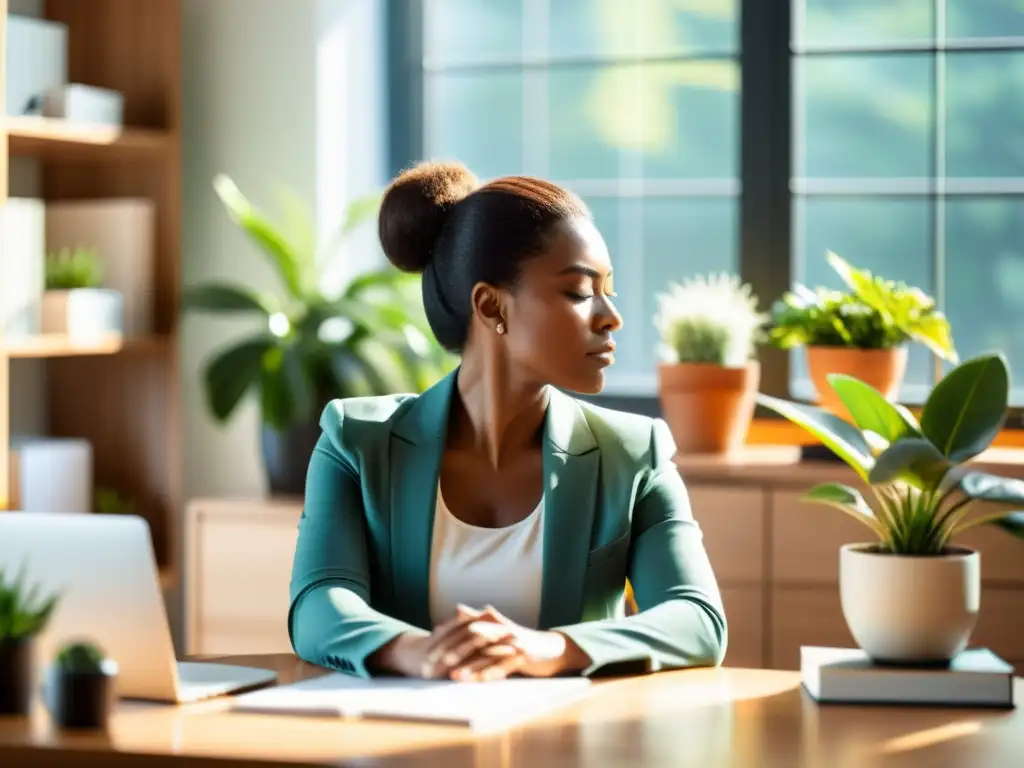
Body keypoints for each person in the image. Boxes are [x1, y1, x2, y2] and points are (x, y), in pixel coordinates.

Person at [287, 160, 727, 683]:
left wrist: (551, 649)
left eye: (608, 289)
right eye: (581, 292)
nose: (611, 315)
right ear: (492, 306)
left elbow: (698, 620)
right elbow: (317, 603)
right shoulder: (357, 441)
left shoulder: (632, 452)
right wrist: (415, 652)